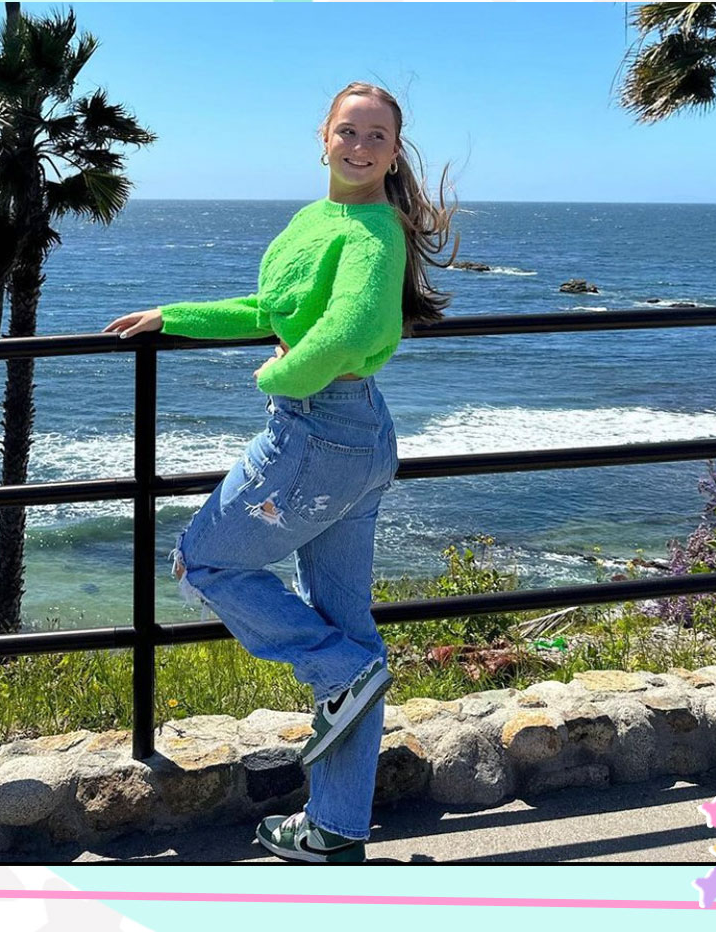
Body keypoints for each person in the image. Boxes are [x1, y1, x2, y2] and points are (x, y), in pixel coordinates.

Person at [104, 81, 459, 863]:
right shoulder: (317, 221)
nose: (360, 146)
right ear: (323, 137)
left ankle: (338, 671)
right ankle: (334, 829)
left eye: (377, 136)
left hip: (319, 432)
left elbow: (351, 329)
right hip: (356, 438)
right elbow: (275, 306)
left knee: (205, 559)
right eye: (348, 131)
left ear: (394, 152)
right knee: (348, 631)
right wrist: (177, 316)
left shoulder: (372, 233)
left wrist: (278, 377)